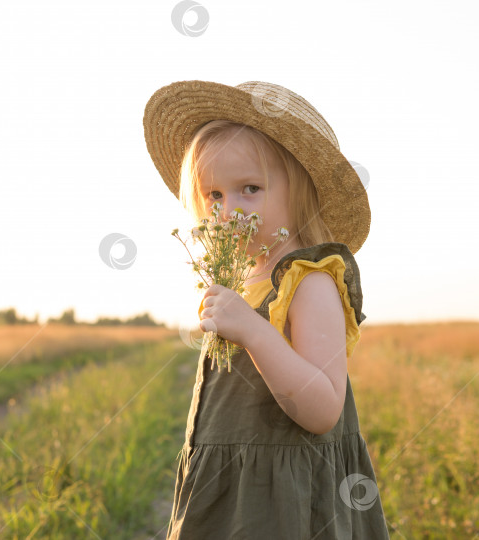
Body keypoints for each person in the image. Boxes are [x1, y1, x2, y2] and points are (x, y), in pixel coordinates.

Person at [143, 80, 390, 539]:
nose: (228, 212)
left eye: (250, 189)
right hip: (229, 487)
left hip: (286, 503)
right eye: (214, 196)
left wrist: (253, 333)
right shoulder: (242, 282)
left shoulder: (310, 281)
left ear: (300, 193)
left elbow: (322, 410)